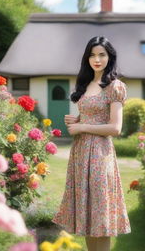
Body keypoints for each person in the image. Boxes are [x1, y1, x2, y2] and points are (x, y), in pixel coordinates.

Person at [52, 36, 131, 251]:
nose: (97, 59)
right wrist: (77, 120)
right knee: (87, 215)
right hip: (80, 153)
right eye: (92, 55)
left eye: (101, 55)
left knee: (101, 214)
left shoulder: (115, 86)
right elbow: (93, 116)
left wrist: (82, 127)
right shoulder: (86, 84)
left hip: (99, 154)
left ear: (109, 57)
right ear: (87, 58)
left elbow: (115, 128)